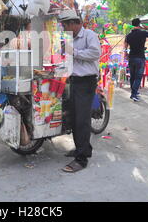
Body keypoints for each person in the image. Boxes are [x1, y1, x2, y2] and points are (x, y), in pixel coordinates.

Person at [58, 10, 101, 173]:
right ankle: (82, 149)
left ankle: (81, 159)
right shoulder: (69, 38)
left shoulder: (89, 35)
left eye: (65, 25)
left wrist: (73, 52)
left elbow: (96, 53)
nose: (64, 29)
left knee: (82, 120)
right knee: (73, 118)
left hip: (86, 81)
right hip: (73, 80)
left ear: (73, 23)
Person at [124, 18, 148, 102]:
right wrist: (147, 28)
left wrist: (125, 55)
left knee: (132, 76)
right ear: (139, 24)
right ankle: (134, 94)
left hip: (131, 57)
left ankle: (134, 92)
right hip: (140, 57)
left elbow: (125, 46)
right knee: (138, 77)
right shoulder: (142, 33)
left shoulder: (129, 35)